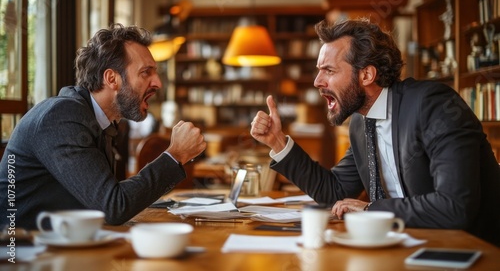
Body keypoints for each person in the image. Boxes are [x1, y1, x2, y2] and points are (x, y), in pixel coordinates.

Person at [250, 18, 500, 246]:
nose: (317, 81)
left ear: (367, 75)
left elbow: (454, 206)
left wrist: (372, 209)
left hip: (470, 250)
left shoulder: (434, 105)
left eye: (328, 70)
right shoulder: (361, 123)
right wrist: (278, 143)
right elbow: (335, 193)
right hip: (405, 246)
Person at [0, 24, 206, 229]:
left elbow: (106, 200)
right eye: (146, 72)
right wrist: (175, 154)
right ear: (111, 79)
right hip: (18, 252)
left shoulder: (101, 121)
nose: (158, 83)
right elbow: (113, 207)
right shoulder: (61, 117)